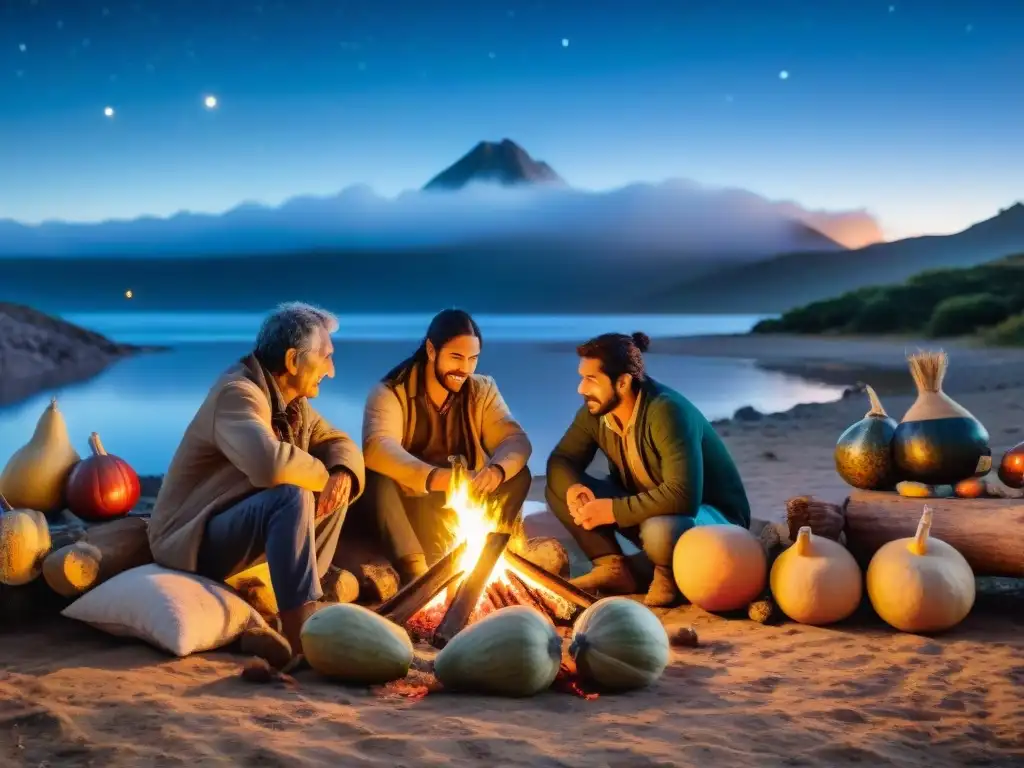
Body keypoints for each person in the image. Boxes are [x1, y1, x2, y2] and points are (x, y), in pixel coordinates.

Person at [148, 302, 365, 668]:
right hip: (192, 537)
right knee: (291, 494)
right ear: (294, 361)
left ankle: (307, 593)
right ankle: (301, 635)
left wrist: (341, 474)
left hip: (236, 524)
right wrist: (323, 478)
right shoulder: (239, 394)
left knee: (342, 480)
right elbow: (269, 465)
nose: (331, 370)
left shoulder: (293, 403)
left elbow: (339, 443)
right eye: (325, 358)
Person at [545, 331, 751, 607]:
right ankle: (611, 566)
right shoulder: (597, 413)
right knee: (557, 488)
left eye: (591, 379)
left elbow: (683, 497)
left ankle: (666, 575)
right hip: (653, 509)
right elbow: (561, 459)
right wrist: (574, 489)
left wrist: (612, 510)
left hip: (712, 520)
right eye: (582, 377)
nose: (581, 389)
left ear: (622, 382)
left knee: (659, 530)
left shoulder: (666, 411)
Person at [356, 308, 533, 583]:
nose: (464, 368)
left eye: (472, 359)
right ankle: (416, 574)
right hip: (412, 507)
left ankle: (491, 558)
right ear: (431, 349)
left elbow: (515, 440)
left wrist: (496, 470)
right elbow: (378, 447)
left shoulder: (481, 390)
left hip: (463, 505)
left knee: (517, 475)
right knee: (376, 476)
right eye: (456, 357)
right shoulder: (391, 391)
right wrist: (442, 479)